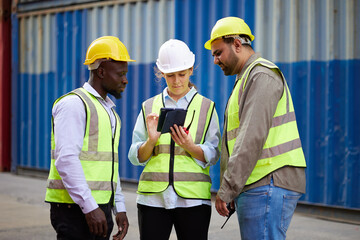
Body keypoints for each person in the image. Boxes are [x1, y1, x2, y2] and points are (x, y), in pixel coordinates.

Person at [204, 17, 307, 240]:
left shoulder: (261, 75)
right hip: (259, 183)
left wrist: (228, 188)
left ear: (237, 45)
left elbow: (251, 137)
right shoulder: (246, 77)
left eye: (218, 52)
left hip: (268, 181)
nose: (215, 60)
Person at [128, 39, 221, 240]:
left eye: (182, 74)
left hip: (193, 200)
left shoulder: (207, 107)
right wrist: (150, 142)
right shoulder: (149, 106)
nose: (177, 80)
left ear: (190, 70)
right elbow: (135, 156)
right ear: (161, 73)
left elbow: (213, 154)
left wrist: (190, 146)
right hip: (153, 199)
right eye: (170, 75)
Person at [45, 36, 135, 240]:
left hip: (98, 207)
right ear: (101, 71)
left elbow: (109, 166)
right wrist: (89, 207)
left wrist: (118, 206)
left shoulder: (110, 112)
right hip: (76, 209)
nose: (125, 80)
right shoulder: (74, 105)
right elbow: (66, 160)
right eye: (120, 74)